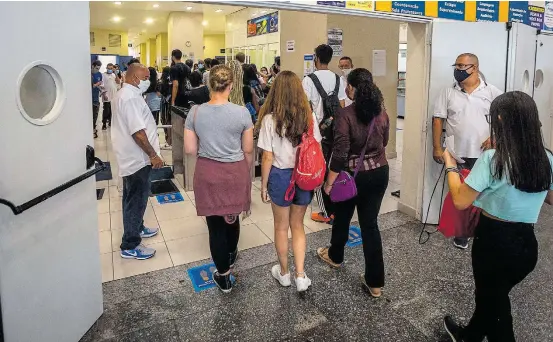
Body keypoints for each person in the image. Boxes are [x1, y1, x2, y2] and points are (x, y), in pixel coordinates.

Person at [442, 91, 553, 342]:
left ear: (501, 120)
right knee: (491, 297)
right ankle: (468, 336)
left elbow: (460, 200)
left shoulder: (493, 159)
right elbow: (550, 198)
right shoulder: (546, 158)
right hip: (526, 247)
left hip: (493, 244)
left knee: (497, 308)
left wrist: (450, 166)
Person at [316, 68, 390, 298]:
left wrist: (329, 182)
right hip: (379, 173)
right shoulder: (382, 113)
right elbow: (385, 141)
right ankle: (375, 283)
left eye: (348, 85)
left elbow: (339, 153)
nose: (345, 88)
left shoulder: (345, 114)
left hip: (351, 176)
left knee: (343, 218)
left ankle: (335, 256)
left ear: (355, 88)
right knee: (370, 225)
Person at [184, 65, 254, 293]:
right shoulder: (242, 113)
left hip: (208, 172)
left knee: (214, 226)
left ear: (209, 85)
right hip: (235, 172)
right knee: (232, 218)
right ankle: (232, 257)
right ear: (231, 86)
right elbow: (248, 149)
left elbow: (190, 150)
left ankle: (223, 276)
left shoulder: (194, 113)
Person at [257, 71, 321, 292]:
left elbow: (267, 157)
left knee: (281, 227)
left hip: (280, 176)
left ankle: (284, 273)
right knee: (298, 226)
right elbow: (316, 147)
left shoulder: (269, 119)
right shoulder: (309, 117)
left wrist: (263, 185)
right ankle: (301, 275)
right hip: (303, 175)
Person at [433, 53, 503, 250]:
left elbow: (504, 118)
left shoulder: (492, 92)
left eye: (463, 66)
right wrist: (437, 147)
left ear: (475, 67)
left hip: (484, 154)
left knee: (484, 194)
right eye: (457, 65)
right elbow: (438, 119)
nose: (459, 69)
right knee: (460, 196)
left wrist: (496, 138)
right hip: (456, 154)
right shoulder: (448, 92)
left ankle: (481, 230)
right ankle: (462, 234)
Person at [111, 64, 164, 260]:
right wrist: (153, 155)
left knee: (133, 197)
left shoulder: (125, 94)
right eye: (146, 76)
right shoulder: (131, 98)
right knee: (135, 199)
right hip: (137, 158)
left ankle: (138, 227)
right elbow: (138, 133)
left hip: (131, 156)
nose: (149, 80)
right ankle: (130, 244)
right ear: (135, 78)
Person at [303, 44, 347, 225]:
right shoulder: (338, 79)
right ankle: (337, 206)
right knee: (336, 166)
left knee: (320, 169)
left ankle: (326, 212)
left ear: (316, 58)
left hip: (318, 133)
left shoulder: (308, 80)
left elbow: (305, 107)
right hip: (338, 130)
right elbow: (342, 106)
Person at [101, 63, 119, 130]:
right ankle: (104, 124)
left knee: (112, 110)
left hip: (113, 96)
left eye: (111, 68)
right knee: (106, 110)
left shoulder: (114, 75)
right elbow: (102, 85)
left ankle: (111, 122)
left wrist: (116, 73)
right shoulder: (103, 75)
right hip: (106, 96)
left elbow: (118, 82)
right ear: (106, 68)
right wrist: (104, 94)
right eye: (109, 68)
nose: (110, 70)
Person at [91, 60, 103, 139]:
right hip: (89, 99)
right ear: (92, 66)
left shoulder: (99, 74)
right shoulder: (89, 75)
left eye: (98, 68)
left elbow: (98, 85)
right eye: (96, 68)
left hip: (96, 98)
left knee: (95, 115)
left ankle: (94, 128)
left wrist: (101, 90)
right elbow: (91, 86)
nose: (97, 70)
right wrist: (96, 84)